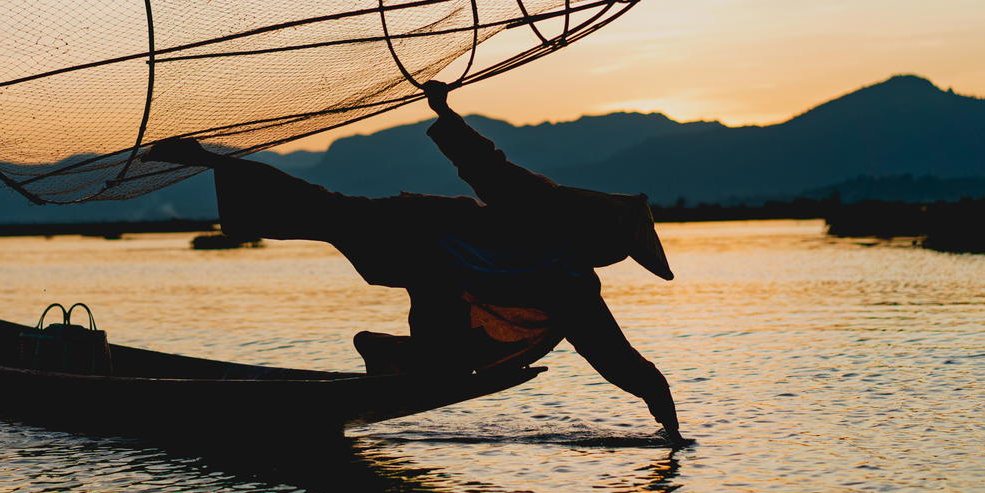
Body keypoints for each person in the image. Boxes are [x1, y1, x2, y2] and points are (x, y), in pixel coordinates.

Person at [144, 81, 685, 444]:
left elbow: (619, 361)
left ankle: (389, 354)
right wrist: (444, 113)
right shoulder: (543, 208)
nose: (611, 256)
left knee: (440, 345)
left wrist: (668, 423)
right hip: (419, 232)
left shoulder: (572, 285)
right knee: (322, 210)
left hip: (438, 270)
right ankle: (210, 159)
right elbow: (485, 165)